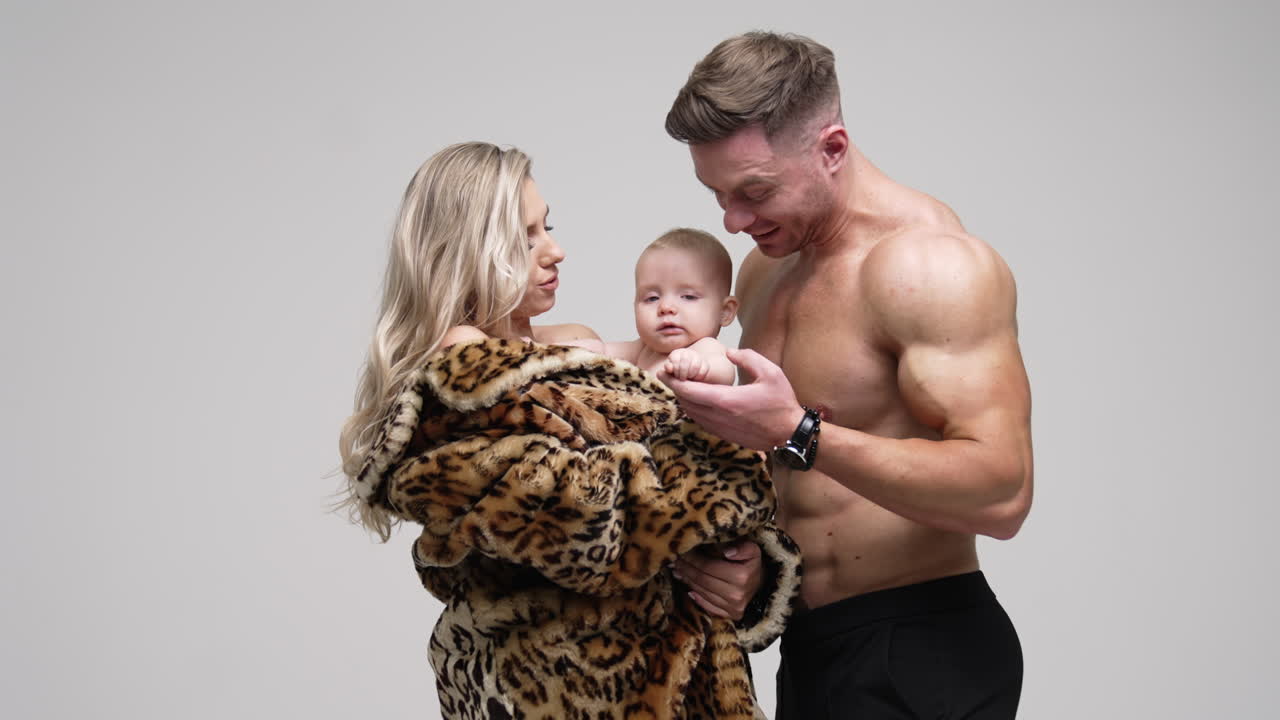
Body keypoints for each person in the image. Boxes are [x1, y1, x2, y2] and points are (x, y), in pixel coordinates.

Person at [338, 141, 801, 719]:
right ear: (467, 250)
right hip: (562, 689)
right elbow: (591, 527)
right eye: (525, 237)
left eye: (548, 227)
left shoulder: (572, 346)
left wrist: (740, 567)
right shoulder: (462, 380)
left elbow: (666, 514)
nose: (555, 251)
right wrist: (739, 450)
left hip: (673, 681)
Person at [662, 32, 1034, 718]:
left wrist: (799, 431)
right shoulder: (766, 270)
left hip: (919, 646)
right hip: (811, 647)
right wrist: (751, 565)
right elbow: (779, 474)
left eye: (755, 191)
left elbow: (1003, 493)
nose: (734, 221)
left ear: (831, 148)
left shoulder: (928, 266)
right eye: (717, 194)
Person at [575, 227, 740, 385]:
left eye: (688, 297)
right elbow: (604, 351)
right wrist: (582, 348)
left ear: (725, 312)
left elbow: (725, 372)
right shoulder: (643, 349)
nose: (666, 307)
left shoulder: (705, 348)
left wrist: (697, 366)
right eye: (652, 298)